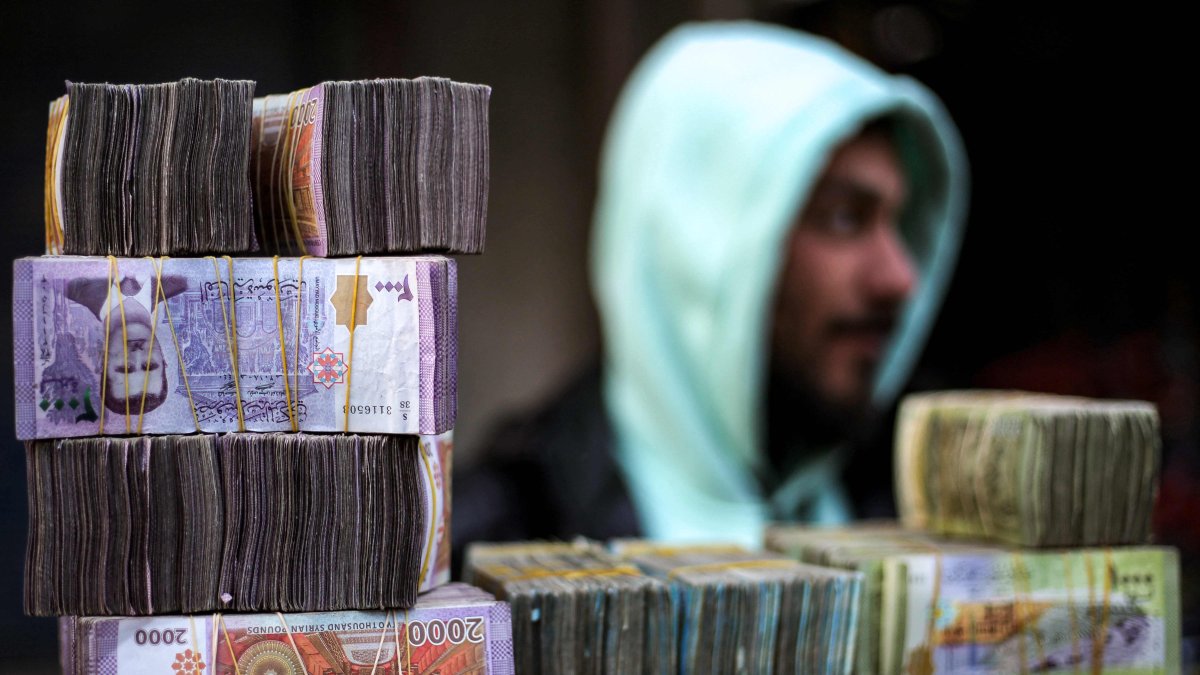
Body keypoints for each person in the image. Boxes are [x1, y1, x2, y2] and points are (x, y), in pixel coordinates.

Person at [454, 20, 967, 556]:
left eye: (899, 223)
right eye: (842, 218)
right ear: (700, 249)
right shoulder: (485, 556)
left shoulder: (916, 506)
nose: (900, 279)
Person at [65, 273, 187, 415]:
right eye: (149, 365)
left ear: (102, 362)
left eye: (125, 367)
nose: (137, 353)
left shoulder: (68, 285)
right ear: (163, 359)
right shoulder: (182, 280)